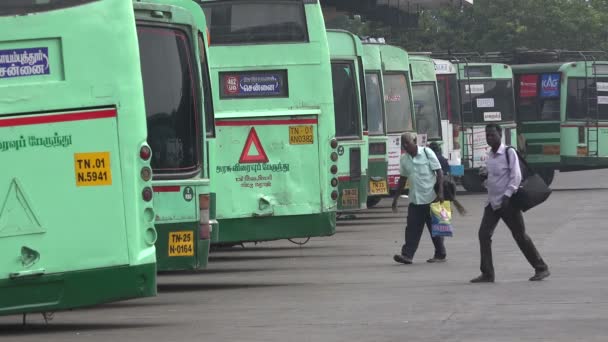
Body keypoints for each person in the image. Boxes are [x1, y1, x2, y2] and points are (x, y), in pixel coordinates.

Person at [470, 123, 550, 283]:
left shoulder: (509, 152)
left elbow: (516, 176)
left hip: (508, 203)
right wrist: (485, 180)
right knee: (484, 235)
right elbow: (492, 179)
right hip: (492, 204)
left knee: (520, 236)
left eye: (492, 134)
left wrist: (507, 195)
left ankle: (541, 268)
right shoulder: (490, 156)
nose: (489, 138)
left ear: (500, 134)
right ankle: (487, 273)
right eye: (487, 135)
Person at [392, 132, 446, 264]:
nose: (405, 146)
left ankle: (440, 254)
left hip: (431, 198)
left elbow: (439, 172)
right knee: (411, 229)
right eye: (403, 143)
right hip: (415, 200)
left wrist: (440, 192)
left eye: (407, 143)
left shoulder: (427, 153)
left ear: (415, 141)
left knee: (436, 228)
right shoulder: (404, 159)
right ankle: (407, 255)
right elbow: (403, 179)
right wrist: (395, 198)